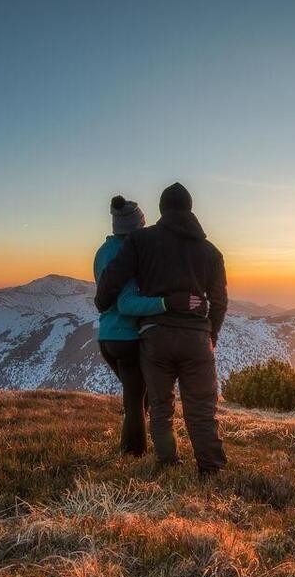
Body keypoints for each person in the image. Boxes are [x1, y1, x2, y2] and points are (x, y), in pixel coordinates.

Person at [95, 182, 228, 478]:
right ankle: (211, 468)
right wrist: (211, 336)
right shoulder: (211, 252)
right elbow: (219, 302)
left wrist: (102, 301)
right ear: (190, 208)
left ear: (161, 210)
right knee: (201, 408)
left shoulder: (141, 241)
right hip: (196, 338)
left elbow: (113, 278)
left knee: (160, 406)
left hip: (155, 337)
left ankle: (167, 463)